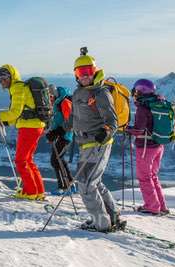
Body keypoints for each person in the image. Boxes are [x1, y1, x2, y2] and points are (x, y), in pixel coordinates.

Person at [71, 47, 125, 232]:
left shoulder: (100, 93)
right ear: (76, 74)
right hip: (85, 143)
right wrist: (61, 129)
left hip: (97, 143)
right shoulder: (79, 92)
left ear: (94, 72)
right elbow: (77, 117)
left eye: (88, 71)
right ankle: (112, 216)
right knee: (94, 182)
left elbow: (112, 121)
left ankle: (101, 224)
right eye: (81, 72)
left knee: (85, 185)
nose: (85, 75)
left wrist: (106, 131)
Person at [0, 64, 46, 201]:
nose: (3, 82)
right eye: (0, 80)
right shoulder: (18, 87)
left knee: (20, 160)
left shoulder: (17, 88)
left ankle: (30, 192)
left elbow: (14, 113)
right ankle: (38, 191)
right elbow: (20, 114)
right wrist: (3, 121)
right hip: (34, 126)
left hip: (29, 128)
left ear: (11, 76)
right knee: (28, 160)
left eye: (5, 78)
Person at [126, 79, 169, 215]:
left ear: (140, 91)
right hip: (158, 145)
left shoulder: (143, 108)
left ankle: (151, 206)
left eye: (135, 91)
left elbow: (139, 130)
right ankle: (161, 206)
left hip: (146, 147)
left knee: (144, 177)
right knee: (153, 176)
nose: (134, 94)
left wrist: (127, 129)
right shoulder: (158, 103)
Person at [45, 85, 76, 195]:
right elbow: (58, 120)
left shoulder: (64, 102)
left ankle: (64, 186)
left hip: (65, 136)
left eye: (51, 96)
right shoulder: (58, 103)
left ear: (55, 94)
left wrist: (57, 132)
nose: (50, 99)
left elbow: (69, 122)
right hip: (61, 136)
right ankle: (69, 183)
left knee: (56, 160)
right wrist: (52, 132)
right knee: (59, 159)